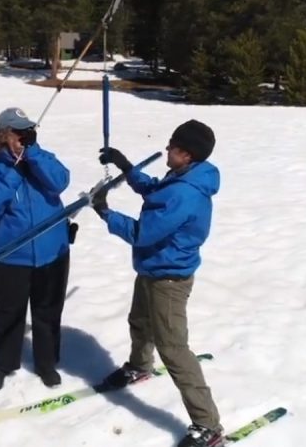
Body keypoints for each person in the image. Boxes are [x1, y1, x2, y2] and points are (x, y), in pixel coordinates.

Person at [92, 120, 223, 447]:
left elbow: (142, 233)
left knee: (174, 350)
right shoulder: (183, 176)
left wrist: (104, 212)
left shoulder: (184, 194)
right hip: (154, 267)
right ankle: (139, 365)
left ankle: (208, 425)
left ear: (187, 154)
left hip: (168, 278)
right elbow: (154, 190)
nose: (166, 150)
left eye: (172, 147)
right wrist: (126, 167)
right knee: (139, 321)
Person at [0, 107, 72, 393]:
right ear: (3, 136)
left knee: (48, 311)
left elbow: (61, 181)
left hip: (53, 252)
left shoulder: (41, 157)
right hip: (11, 257)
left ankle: (46, 363)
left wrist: (34, 156)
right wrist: (14, 175)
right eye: (18, 132)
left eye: (28, 131)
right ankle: (4, 364)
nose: (25, 137)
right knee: (9, 312)